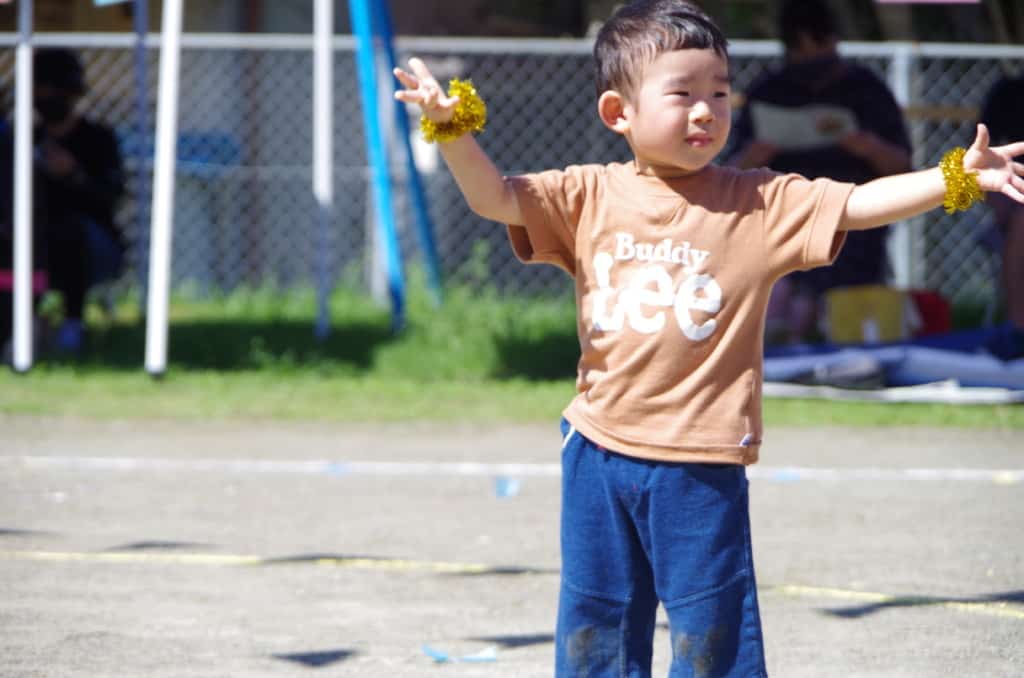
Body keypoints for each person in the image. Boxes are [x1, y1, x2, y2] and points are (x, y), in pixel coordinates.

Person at [394, 1, 1024, 674]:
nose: (706, 111)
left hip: (699, 462)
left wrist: (954, 176)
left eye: (720, 93)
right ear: (619, 113)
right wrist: (450, 128)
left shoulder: (758, 201)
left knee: (711, 628)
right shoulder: (586, 195)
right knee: (597, 621)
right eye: (683, 94)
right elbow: (493, 197)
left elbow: (856, 204)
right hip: (597, 452)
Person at [729, 0, 912, 345]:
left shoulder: (865, 89)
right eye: (801, 49)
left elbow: (903, 168)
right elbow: (730, 172)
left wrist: (868, 147)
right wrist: (755, 154)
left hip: (851, 213)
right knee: (780, 270)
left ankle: (796, 330)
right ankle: (779, 333)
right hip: (781, 212)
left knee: (828, 256)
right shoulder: (769, 91)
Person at [34, 48, 126, 354]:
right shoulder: (25, 140)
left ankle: (73, 325)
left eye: (53, 90)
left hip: (92, 246)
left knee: (69, 230)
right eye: (40, 89)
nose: (45, 98)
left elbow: (111, 196)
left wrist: (74, 175)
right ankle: (23, 323)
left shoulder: (98, 139)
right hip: (36, 240)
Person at [979, 72, 1024, 360]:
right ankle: (1020, 329)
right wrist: (999, 199)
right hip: (1015, 198)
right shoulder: (1009, 93)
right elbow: (981, 157)